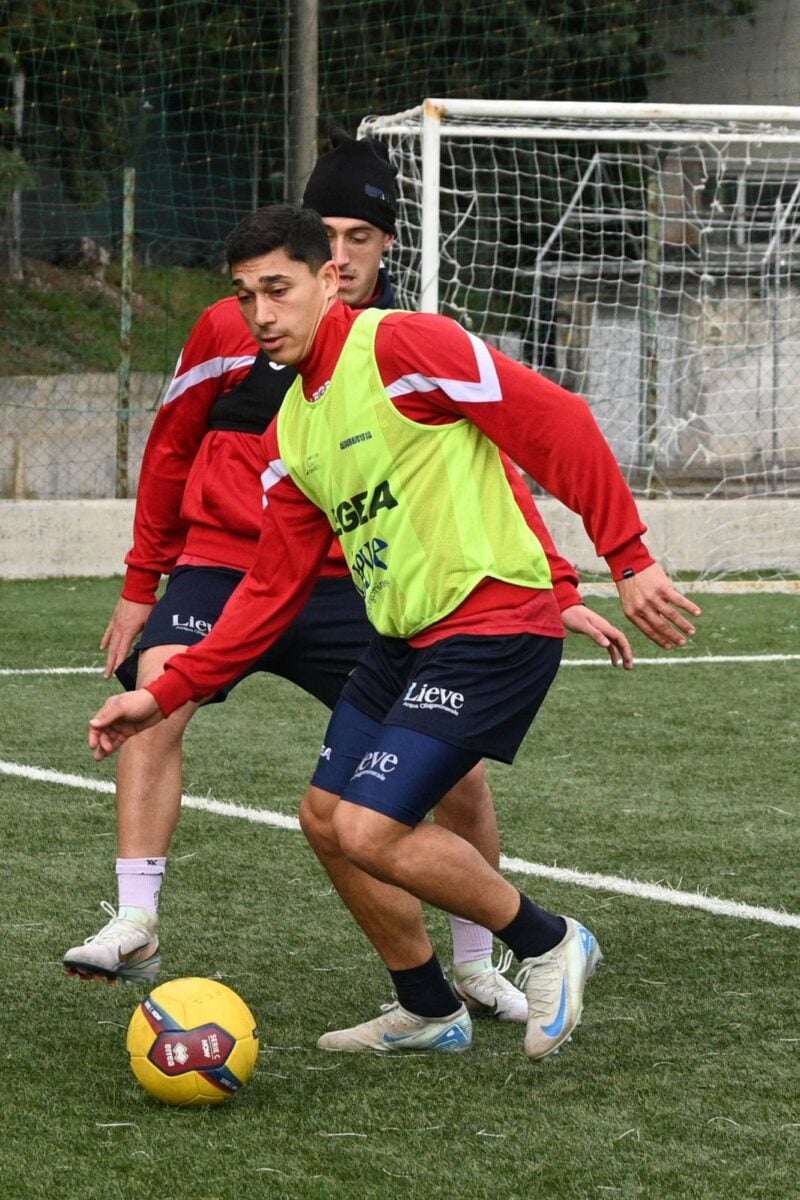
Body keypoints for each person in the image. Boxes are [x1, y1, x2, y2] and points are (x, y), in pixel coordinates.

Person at [87, 204, 701, 1060]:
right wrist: (160, 694)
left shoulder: (407, 345)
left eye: (278, 289)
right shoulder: (295, 426)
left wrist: (628, 559)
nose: (260, 314)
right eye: (244, 295)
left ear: (329, 279)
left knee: (373, 827)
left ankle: (550, 941)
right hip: (403, 641)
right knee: (325, 817)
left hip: (493, 623)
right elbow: (266, 593)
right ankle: (428, 1006)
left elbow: (555, 418)